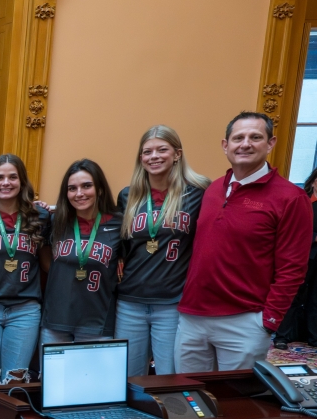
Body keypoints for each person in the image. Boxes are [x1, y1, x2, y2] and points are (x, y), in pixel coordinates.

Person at [177, 111, 312, 370]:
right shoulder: (213, 189)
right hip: (192, 316)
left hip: (244, 321)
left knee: (237, 405)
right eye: (238, 137)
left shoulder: (291, 198)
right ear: (225, 145)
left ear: (270, 143)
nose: (246, 143)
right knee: (190, 399)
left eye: (255, 137)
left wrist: (268, 321)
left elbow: (292, 269)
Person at [115, 126, 209, 376]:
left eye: (162, 149)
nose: (153, 156)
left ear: (177, 154)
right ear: (140, 158)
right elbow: (122, 248)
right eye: (147, 152)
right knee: (128, 378)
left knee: (170, 375)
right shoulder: (128, 196)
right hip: (130, 302)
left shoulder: (198, 193)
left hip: (172, 303)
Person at [0, 154, 49, 383]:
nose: (5, 183)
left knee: (15, 380)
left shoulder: (41, 217)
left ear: (22, 182)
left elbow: (47, 264)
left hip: (25, 309)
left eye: (12, 177)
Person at [41, 160, 123, 346]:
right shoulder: (55, 221)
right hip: (56, 319)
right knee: (55, 376)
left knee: (92, 376)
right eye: (72, 188)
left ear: (100, 188)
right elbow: (44, 256)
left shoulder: (119, 224)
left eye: (86, 186)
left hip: (97, 321)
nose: (79, 193)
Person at [274, 165, 317, 348]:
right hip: (304, 256)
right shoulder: (303, 202)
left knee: (315, 299)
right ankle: (282, 337)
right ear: (314, 182)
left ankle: (313, 337)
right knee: (294, 296)